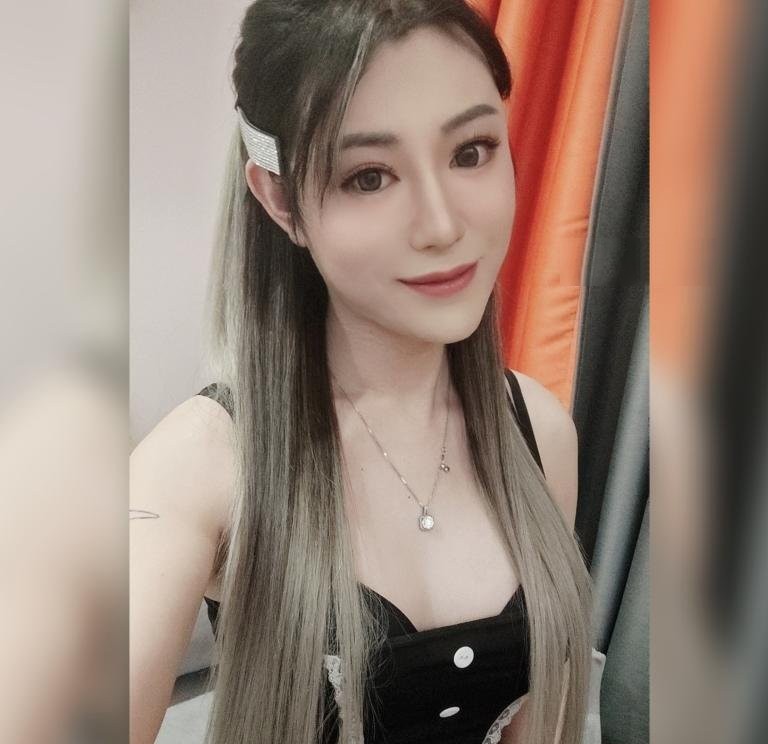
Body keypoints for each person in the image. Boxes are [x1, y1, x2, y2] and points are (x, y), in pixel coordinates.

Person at [130, 1, 599, 742]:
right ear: (281, 201)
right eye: (369, 177)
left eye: (471, 151)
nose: (442, 225)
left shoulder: (539, 434)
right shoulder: (206, 463)